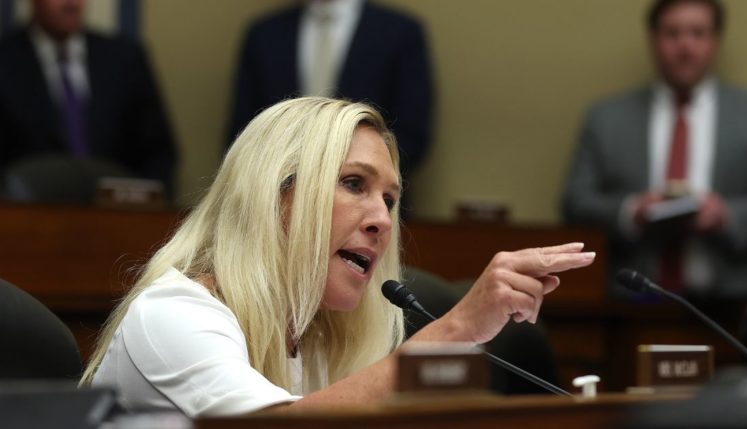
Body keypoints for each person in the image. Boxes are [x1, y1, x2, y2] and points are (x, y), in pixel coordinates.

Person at [81, 97, 595, 417]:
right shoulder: (174, 314)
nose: (383, 220)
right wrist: (455, 331)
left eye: (391, 199)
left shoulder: (318, 341)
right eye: (354, 184)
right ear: (274, 194)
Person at [562, 0, 747, 300]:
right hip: (629, 302)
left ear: (716, 40)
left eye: (698, 33)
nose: (685, 46)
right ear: (653, 39)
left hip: (735, 303)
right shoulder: (605, 118)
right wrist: (632, 211)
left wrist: (726, 215)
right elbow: (575, 202)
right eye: (673, 33)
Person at [227, 0, 432, 186]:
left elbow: (409, 132)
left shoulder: (399, 32)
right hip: (275, 197)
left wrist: (348, 179)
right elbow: (245, 129)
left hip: (367, 199)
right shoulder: (265, 33)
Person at [0, 0, 176, 195]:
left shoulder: (125, 59)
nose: (71, 3)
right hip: (25, 216)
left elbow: (158, 154)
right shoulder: (6, 60)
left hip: (117, 214)